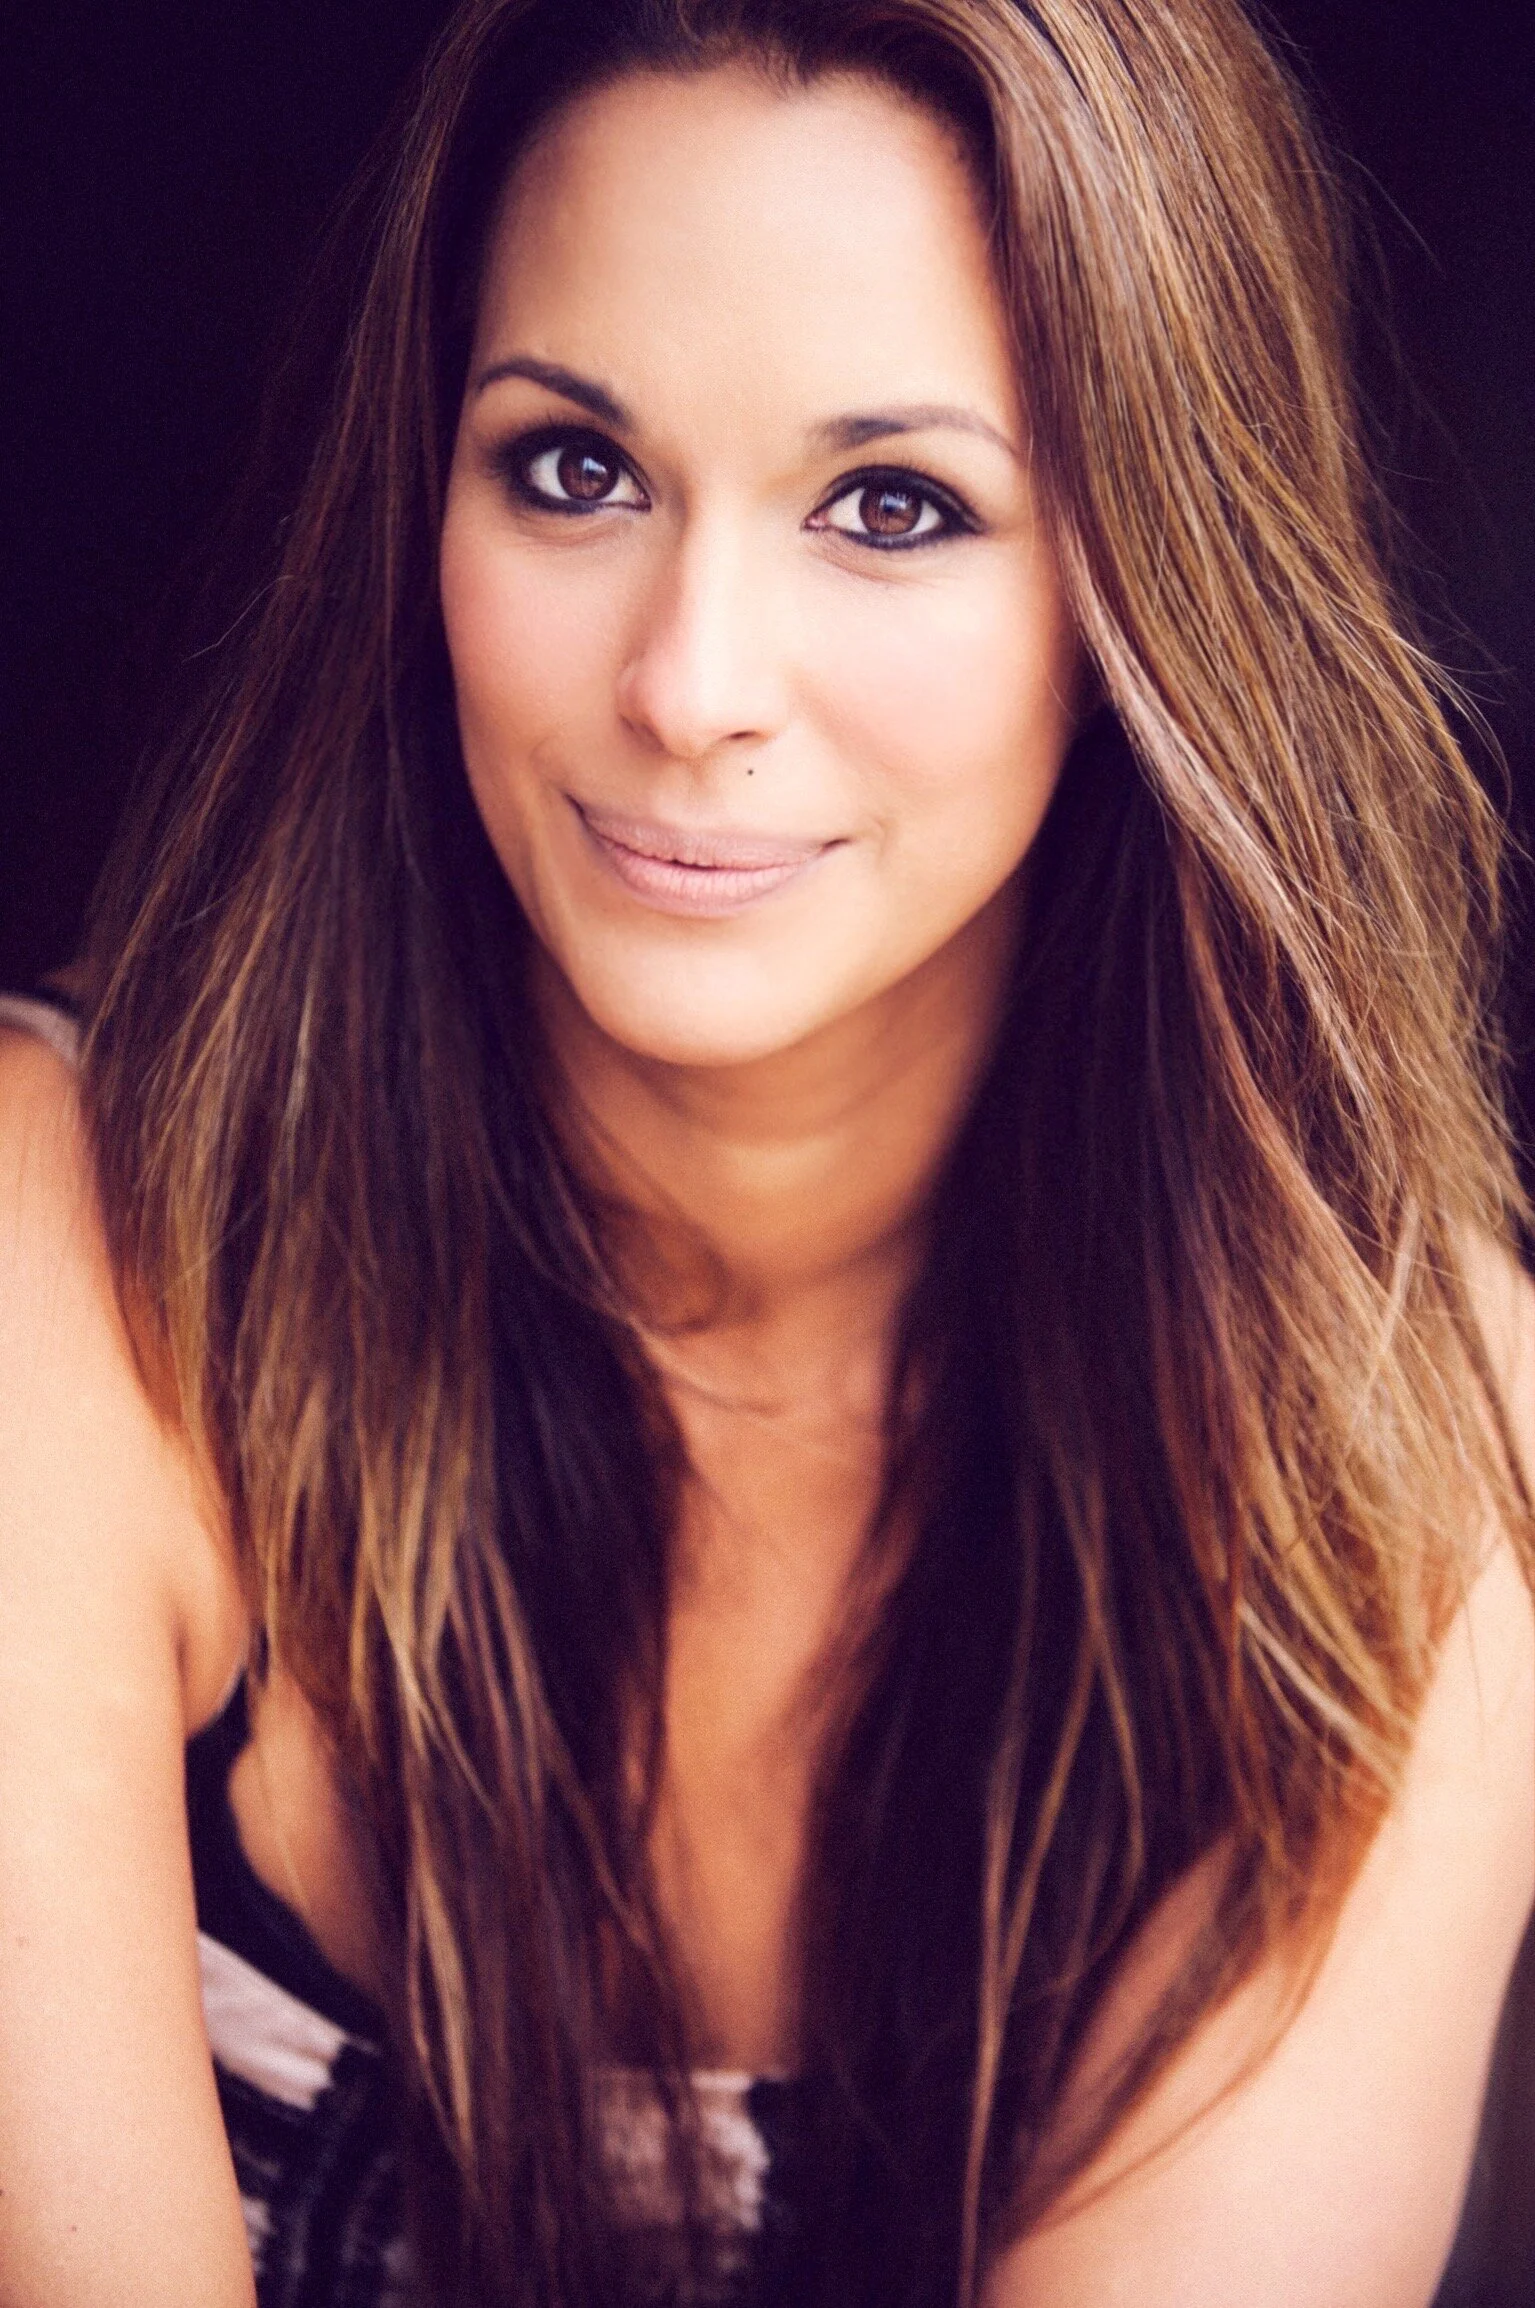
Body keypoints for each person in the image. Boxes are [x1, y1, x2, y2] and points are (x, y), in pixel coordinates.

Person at [1, 0, 1531, 2301]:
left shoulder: (1414, 1447)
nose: (687, 676)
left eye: (890, 504)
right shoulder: (65, 1258)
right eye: (572, 468)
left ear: (1142, 602)